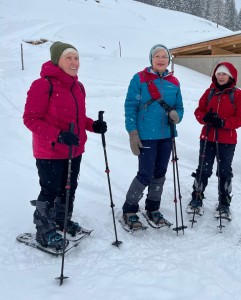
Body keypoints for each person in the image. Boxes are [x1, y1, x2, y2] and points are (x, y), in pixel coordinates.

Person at [23, 41, 107, 249]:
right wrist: (58, 135)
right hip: (50, 151)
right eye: (68, 58)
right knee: (50, 190)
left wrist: (92, 125)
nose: (74, 62)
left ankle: (61, 220)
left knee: (68, 189)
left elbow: (77, 119)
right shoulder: (43, 85)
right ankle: (44, 230)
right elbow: (30, 119)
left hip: (73, 149)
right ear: (57, 60)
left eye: (76, 58)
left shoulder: (77, 86)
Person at [122, 44, 183, 229]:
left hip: (167, 135)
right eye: (157, 55)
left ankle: (152, 208)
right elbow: (130, 106)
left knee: (160, 173)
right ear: (151, 59)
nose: (161, 59)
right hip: (146, 135)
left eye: (164, 56)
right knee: (145, 174)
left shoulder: (175, 82)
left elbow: (179, 107)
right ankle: (130, 209)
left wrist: (177, 116)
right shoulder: (139, 78)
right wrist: (133, 133)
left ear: (169, 60)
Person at [187, 62, 241, 219]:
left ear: (231, 77)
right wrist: (204, 117)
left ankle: (224, 203)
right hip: (207, 137)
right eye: (219, 74)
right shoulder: (209, 92)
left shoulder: (238, 95)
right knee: (203, 169)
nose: (221, 77)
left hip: (227, 140)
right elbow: (199, 111)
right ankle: (196, 199)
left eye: (224, 74)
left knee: (224, 172)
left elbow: (240, 118)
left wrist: (223, 123)